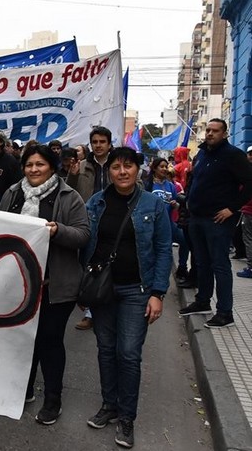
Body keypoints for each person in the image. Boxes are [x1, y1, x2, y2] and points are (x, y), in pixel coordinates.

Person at [83, 147, 172, 449]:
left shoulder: (153, 204)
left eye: (128, 166)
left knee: (129, 353)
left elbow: (163, 249)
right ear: (108, 171)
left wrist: (158, 293)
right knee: (106, 349)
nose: (122, 172)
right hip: (103, 288)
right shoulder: (96, 202)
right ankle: (109, 406)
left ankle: (126, 417)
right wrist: (83, 284)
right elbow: (85, 243)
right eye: (116, 167)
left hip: (137, 290)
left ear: (138, 169)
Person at [0, 145, 89, 425]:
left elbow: (83, 235)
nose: (34, 169)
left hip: (55, 286)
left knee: (50, 341)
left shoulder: (69, 196)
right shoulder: (13, 193)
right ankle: (23, 390)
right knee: (22, 340)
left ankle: (53, 400)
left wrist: (58, 231)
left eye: (40, 164)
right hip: (20, 285)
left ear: (52, 166)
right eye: (29, 165)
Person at [180, 118, 252, 328]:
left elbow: (250, 183)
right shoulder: (202, 153)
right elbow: (195, 180)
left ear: (225, 134)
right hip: (197, 217)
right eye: (208, 130)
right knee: (201, 262)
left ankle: (225, 313)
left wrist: (232, 208)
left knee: (219, 264)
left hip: (218, 220)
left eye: (215, 131)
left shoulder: (233, 155)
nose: (210, 133)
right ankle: (203, 301)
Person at [67, 126, 114, 331]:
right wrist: (73, 176)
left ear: (109, 144)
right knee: (89, 263)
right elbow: (69, 192)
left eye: (102, 142)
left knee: (111, 264)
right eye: (95, 142)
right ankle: (89, 312)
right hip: (89, 220)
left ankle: (109, 308)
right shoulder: (81, 166)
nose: (98, 145)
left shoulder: (117, 164)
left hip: (114, 219)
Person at [144, 158, 190, 283]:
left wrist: (175, 205)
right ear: (154, 168)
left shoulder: (170, 185)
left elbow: (177, 206)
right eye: (161, 166)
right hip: (152, 226)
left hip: (168, 224)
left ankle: (182, 268)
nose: (164, 169)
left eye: (166, 166)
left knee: (185, 240)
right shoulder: (148, 185)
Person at [238, 146, 252, 279]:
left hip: (248, 210)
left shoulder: (246, 171)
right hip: (247, 209)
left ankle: (251, 267)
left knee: (248, 239)